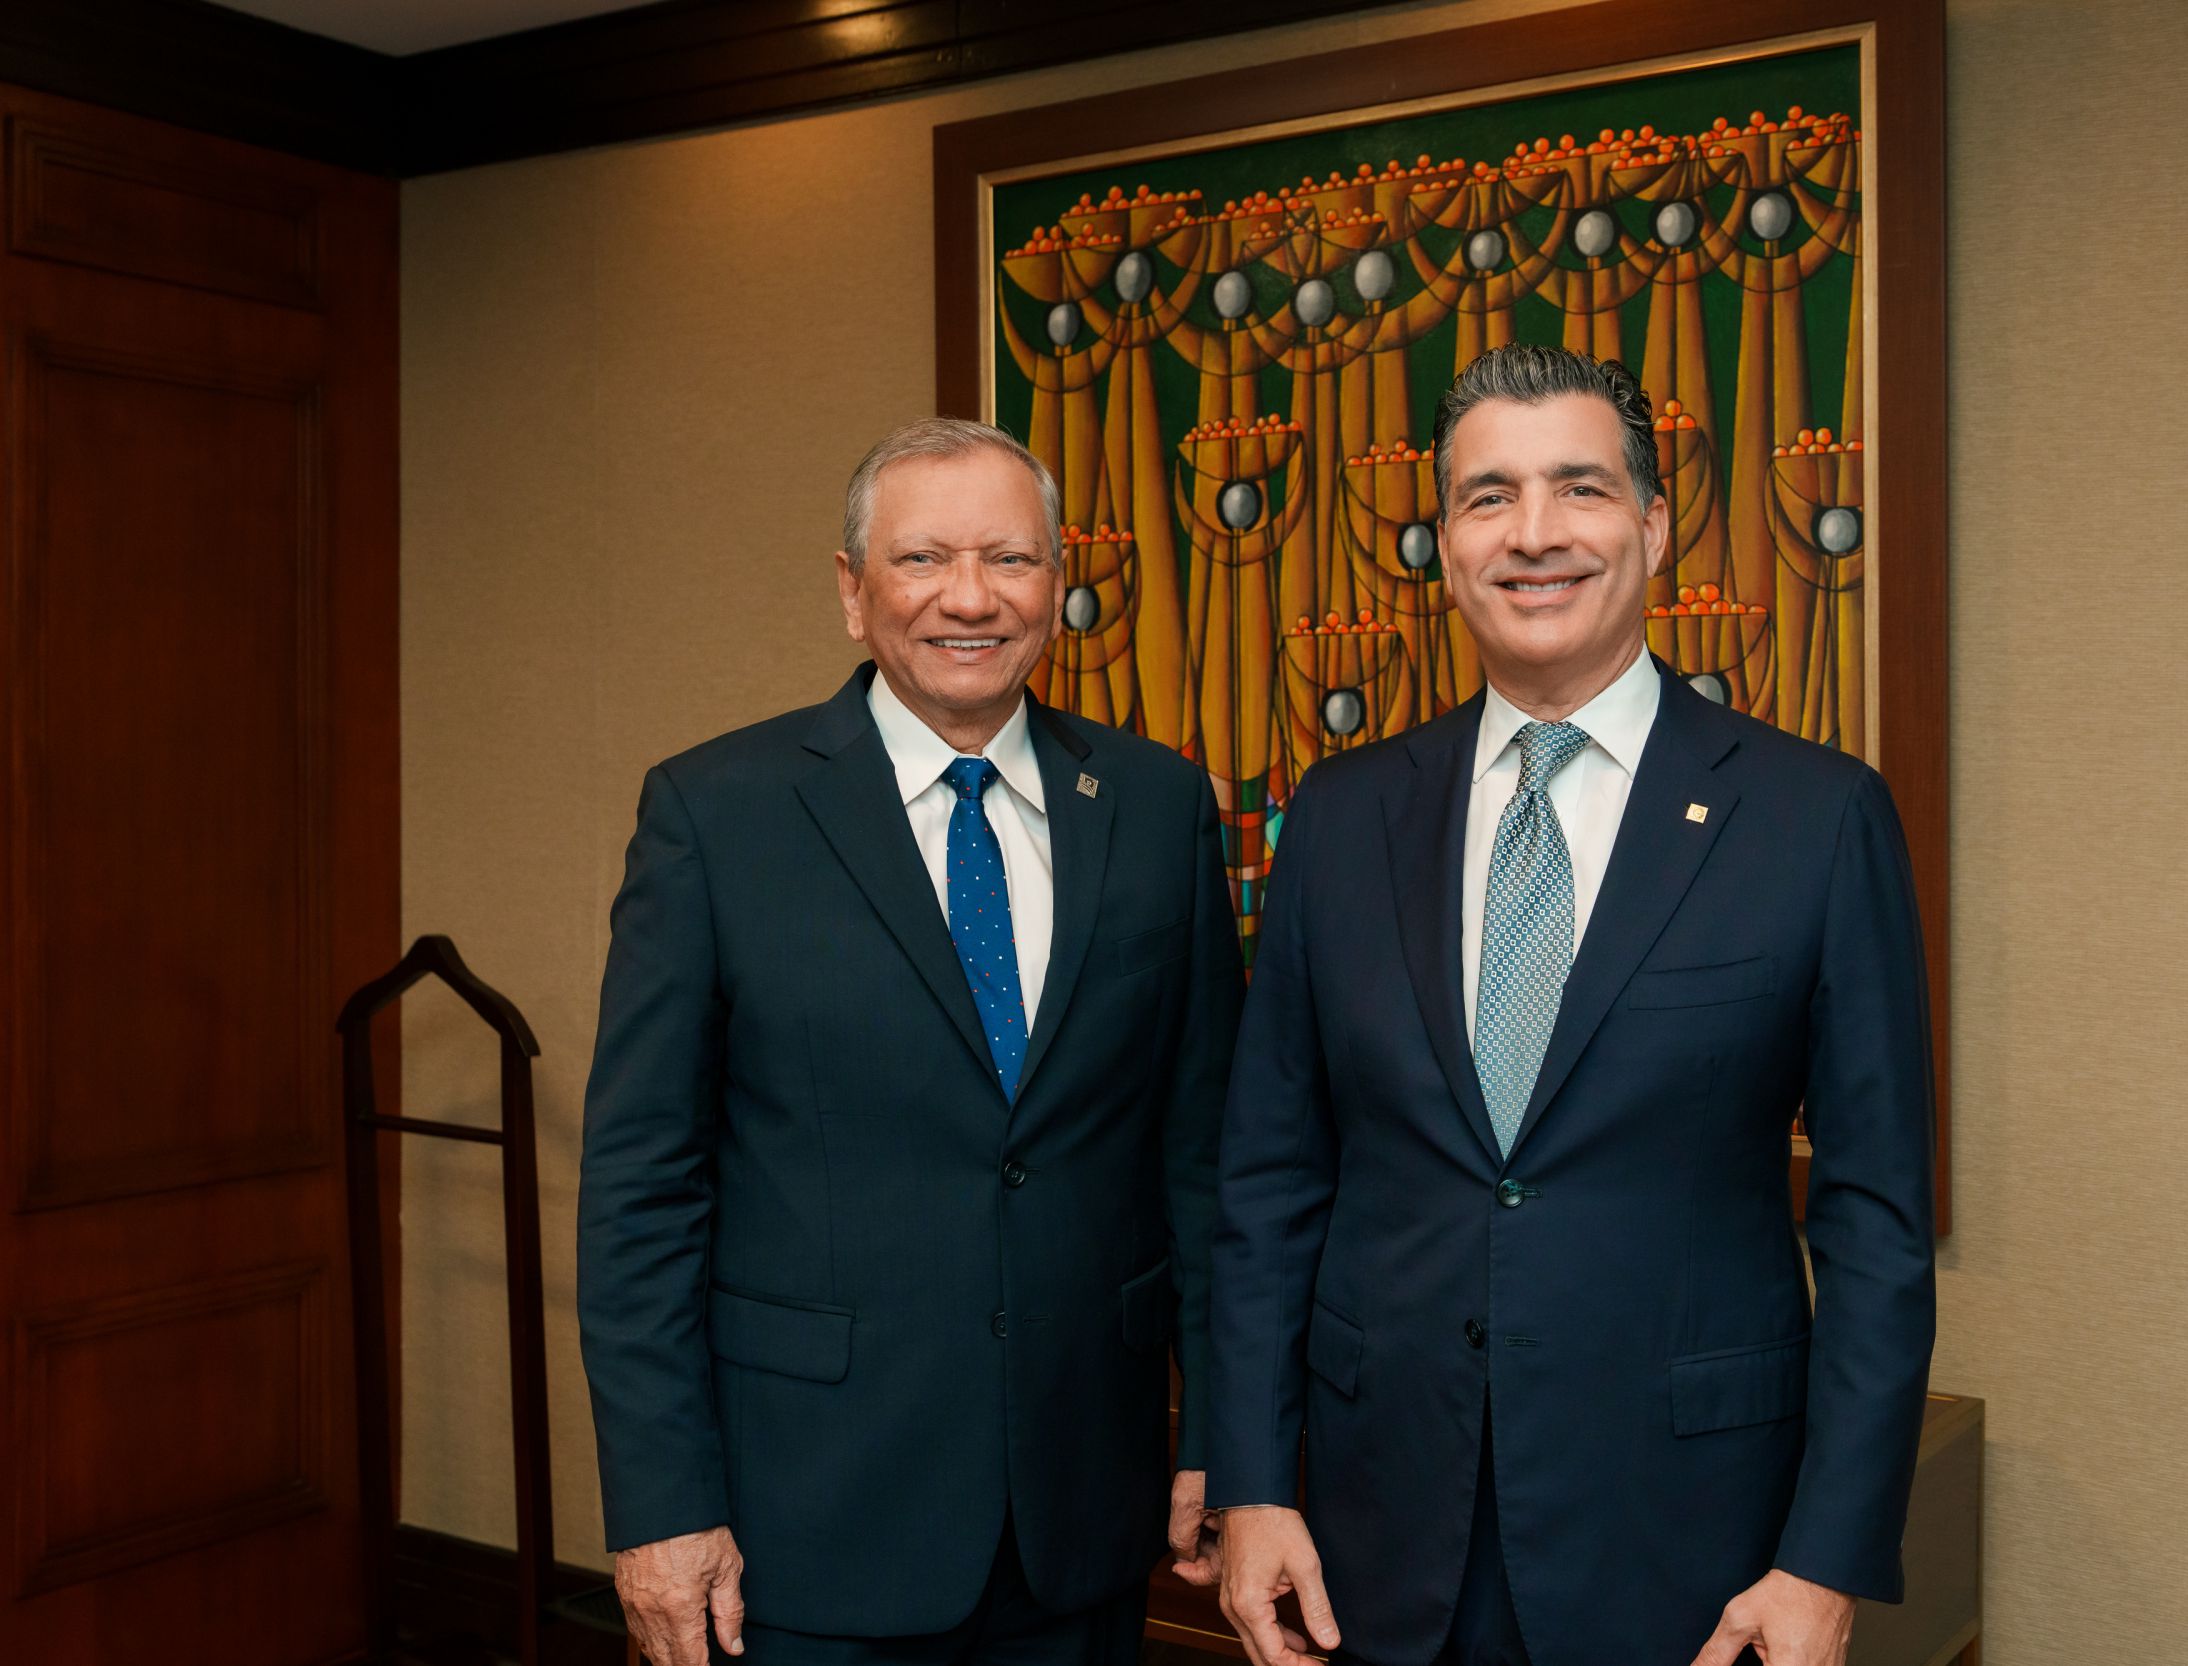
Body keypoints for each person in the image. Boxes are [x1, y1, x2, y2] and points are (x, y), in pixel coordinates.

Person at [1206, 346, 1938, 1666]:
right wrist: (1254, 1485)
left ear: (1652, 525)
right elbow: (1270, 1186)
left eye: (1579, 488)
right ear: (1443, 544)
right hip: (1379, 1538)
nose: (1533, 533)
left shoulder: (1815, 818)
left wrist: (1825, 1562)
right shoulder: (1342, 817)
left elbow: (1876, 1227)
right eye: (1488, 496)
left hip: (1692, 1548)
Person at [578, 418, 1239, 1666]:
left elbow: (1202, 1156)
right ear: (852, 590)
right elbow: (641, 1190)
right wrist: (662, 1505)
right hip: (806, 1521)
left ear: (1057, 583)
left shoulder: (1156, 806)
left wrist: (1223, 1433)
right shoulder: (716, 815)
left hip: (1082, 1509)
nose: (969, 599)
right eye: (923, 558)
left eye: (1010, 558)